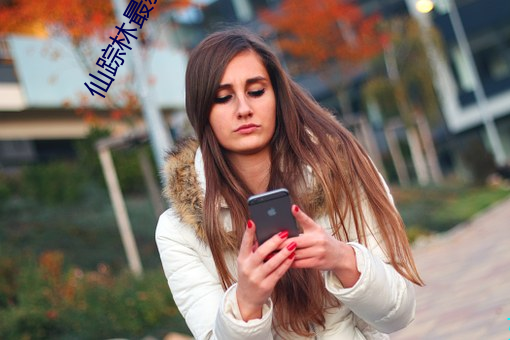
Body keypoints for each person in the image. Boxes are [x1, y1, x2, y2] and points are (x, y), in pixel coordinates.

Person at [156, 27, 423, 340]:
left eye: (256, 91)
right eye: (224, 97)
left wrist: (342, 259)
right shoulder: (178, 232)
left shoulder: (340, 169)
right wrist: (246, 302)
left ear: (276, 95)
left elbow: (399, 313)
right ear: (202, 110)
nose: (244, 109)